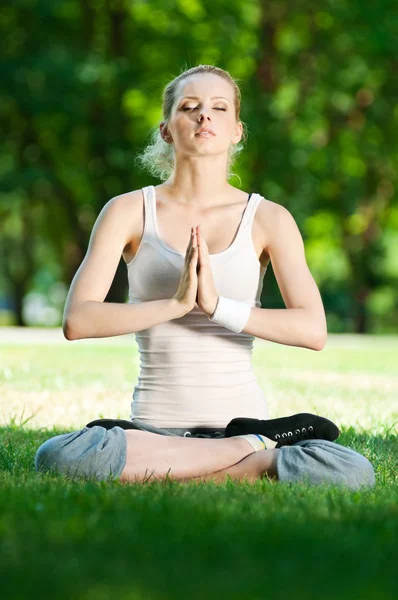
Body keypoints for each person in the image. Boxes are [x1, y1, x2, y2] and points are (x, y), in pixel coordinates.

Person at [34, 65, 375, 490]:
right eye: (189, 107)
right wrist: (175, 304)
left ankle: (174, 470)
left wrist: (218, 307)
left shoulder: (268, 219)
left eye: (219, 107)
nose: (204, 116)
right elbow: (78, 321)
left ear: (237, 130)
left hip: (234, 422)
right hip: (156, 434)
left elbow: (313, 329)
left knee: (352, 471)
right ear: (166, 129)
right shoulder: (127, 211)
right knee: (58, 457)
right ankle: (245, 457)